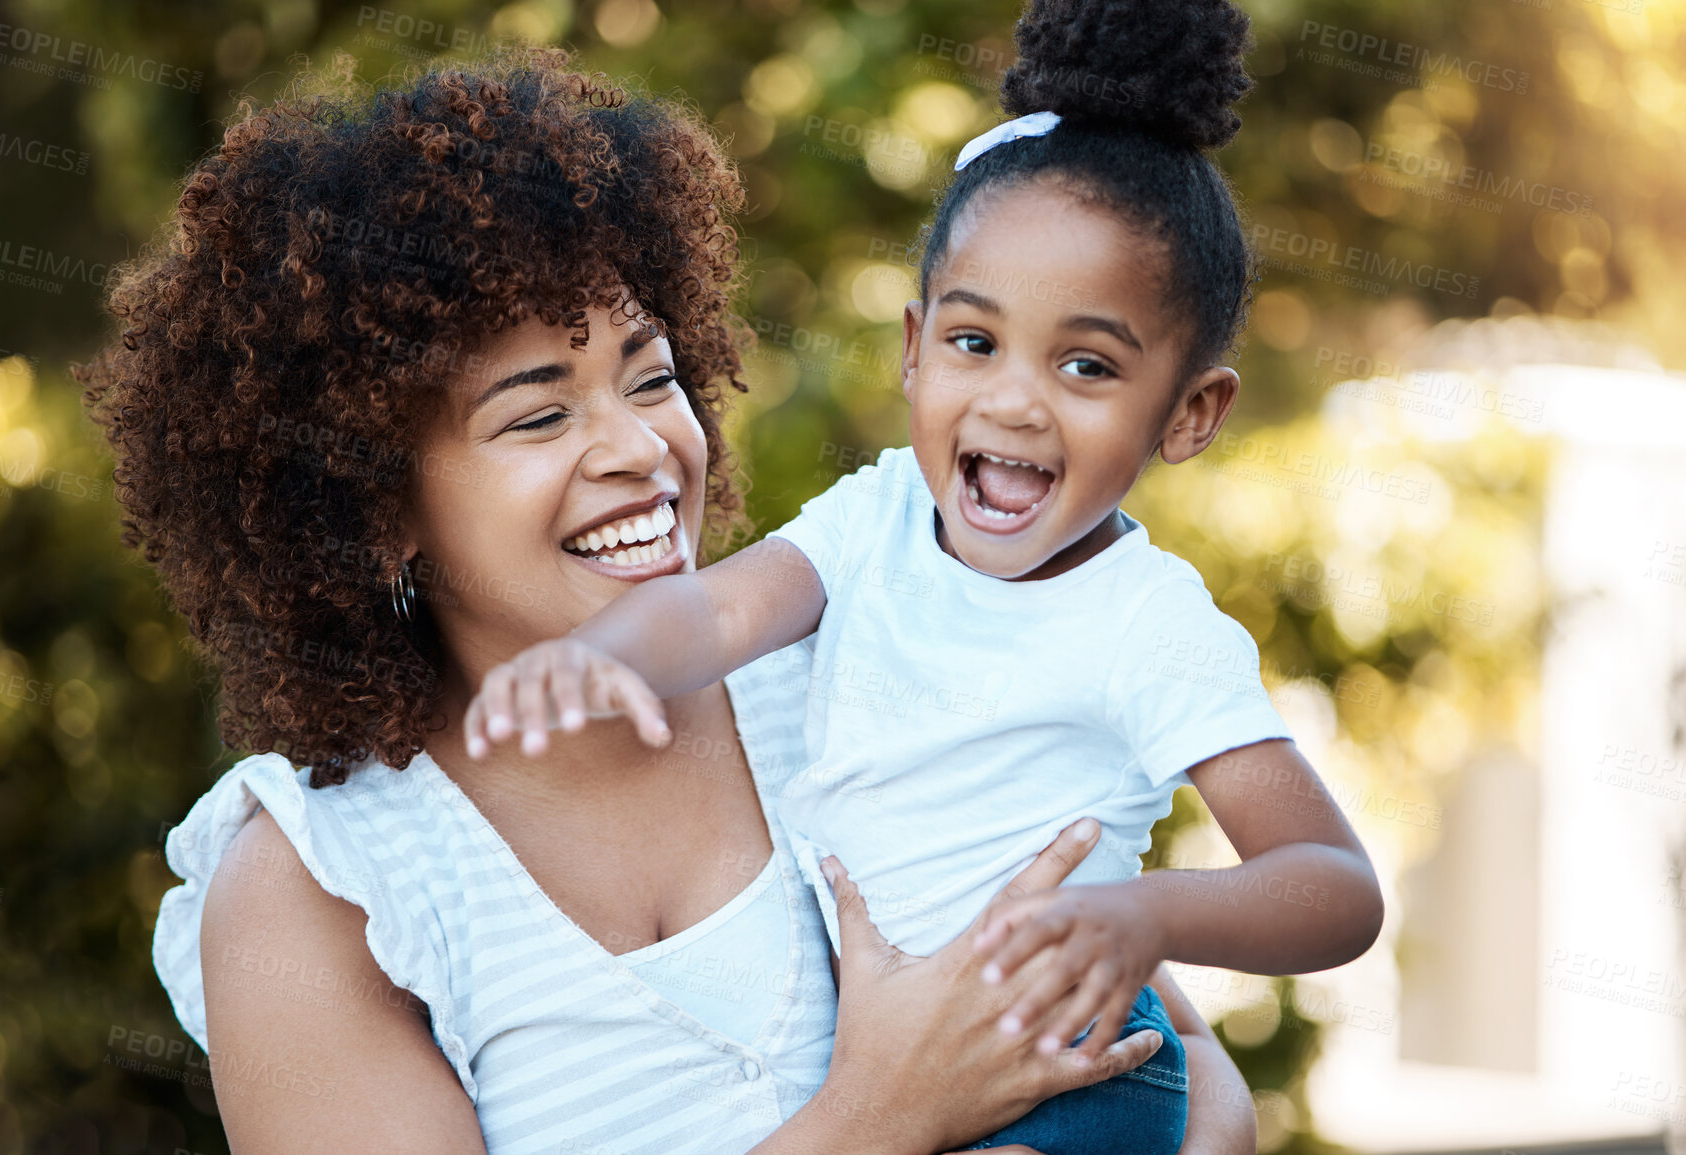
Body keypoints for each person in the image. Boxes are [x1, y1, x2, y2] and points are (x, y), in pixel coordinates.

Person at [80, 44, 1259, 1155]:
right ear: (371, 500)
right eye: (540, 415)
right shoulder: (320, 891)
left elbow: (1193, 1084)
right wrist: (870, 1120)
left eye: (653, 378)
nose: (640, 448)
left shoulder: (853, 670)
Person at [462, 3, 1385, 1153]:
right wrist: (594, 657)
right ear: (912, 349)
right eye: (973, 342)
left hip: (1068, 1081)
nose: (1011, 399)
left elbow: (1336, 887)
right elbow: (719, 607)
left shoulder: (1146, 624)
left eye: (1087, 364)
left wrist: (1145, 915)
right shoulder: (880, 516)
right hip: (911, 1071)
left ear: (1190, 414)